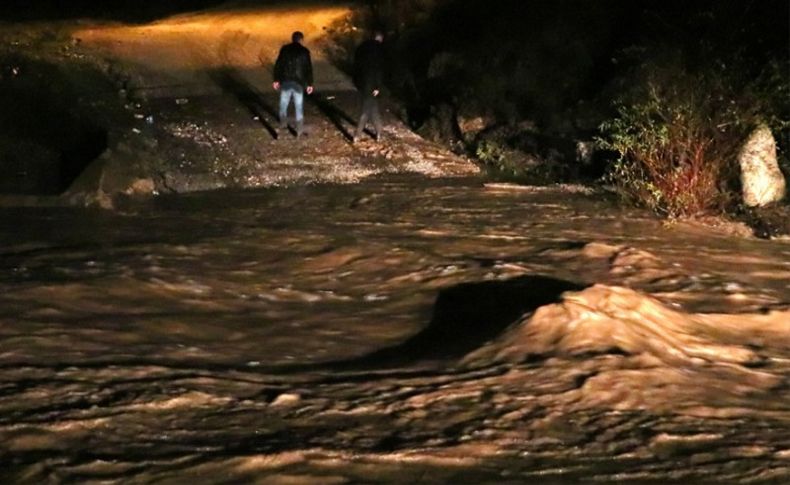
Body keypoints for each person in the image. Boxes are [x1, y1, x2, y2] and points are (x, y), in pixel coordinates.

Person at [273, 31, 314, 137]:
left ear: (292, 39)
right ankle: (299, 130)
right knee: (298, 106)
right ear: (301, 39)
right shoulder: (304, 51)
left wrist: (276, 79)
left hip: (286, 80)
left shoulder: (285, 49)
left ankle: (283, 124)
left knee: (283, 104)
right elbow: (308, 68)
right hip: (298, 82)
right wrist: (309, 83)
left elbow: (279, 64)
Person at [352, 31, 385, 143]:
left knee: (373, 107)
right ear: (380, 39)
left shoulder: (362, 47)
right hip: (371, 83)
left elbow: (356, 65)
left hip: (361, 82)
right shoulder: (379, 50)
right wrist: (377, 86)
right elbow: (378, 70)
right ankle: (357, 134)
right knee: (366, 109)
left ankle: (379, 132)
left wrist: (356, 81)